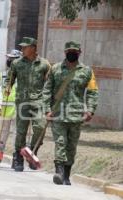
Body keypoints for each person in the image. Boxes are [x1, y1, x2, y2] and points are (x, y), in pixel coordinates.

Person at [43, 41, 98, 185]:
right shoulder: (55, 69)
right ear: (65, 53)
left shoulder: (87, 71)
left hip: (76, 115)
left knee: (71, 146)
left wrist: (90, 110)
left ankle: (67, 174)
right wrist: (47, 110)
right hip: (58, 114)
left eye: (74, 51)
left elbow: (93, 92)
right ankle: (59, 173)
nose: (71, 53)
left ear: (79, 53)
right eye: (69, 51)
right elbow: (47, 90)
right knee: (60, 143)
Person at [5, 37, 51, 172]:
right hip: (22, 101)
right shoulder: (17, 63)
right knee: (21, 131)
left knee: (40, 127)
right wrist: (8, 87)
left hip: (38, 101)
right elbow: (10, 79)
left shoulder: (45, 64)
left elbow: (49, 83)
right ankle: (18, 157)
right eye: (22, 47)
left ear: (33, 48)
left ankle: (32, 151)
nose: (22, 49)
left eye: (25, 47)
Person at [0, 49, 21, 167]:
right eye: (9, 59)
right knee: (2, 135)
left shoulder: (23, 77)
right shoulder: (3, 75)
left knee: (17, 135)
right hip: (5, 109)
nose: (10, 61)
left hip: (19, 110)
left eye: (12, 59)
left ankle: (16, 158)